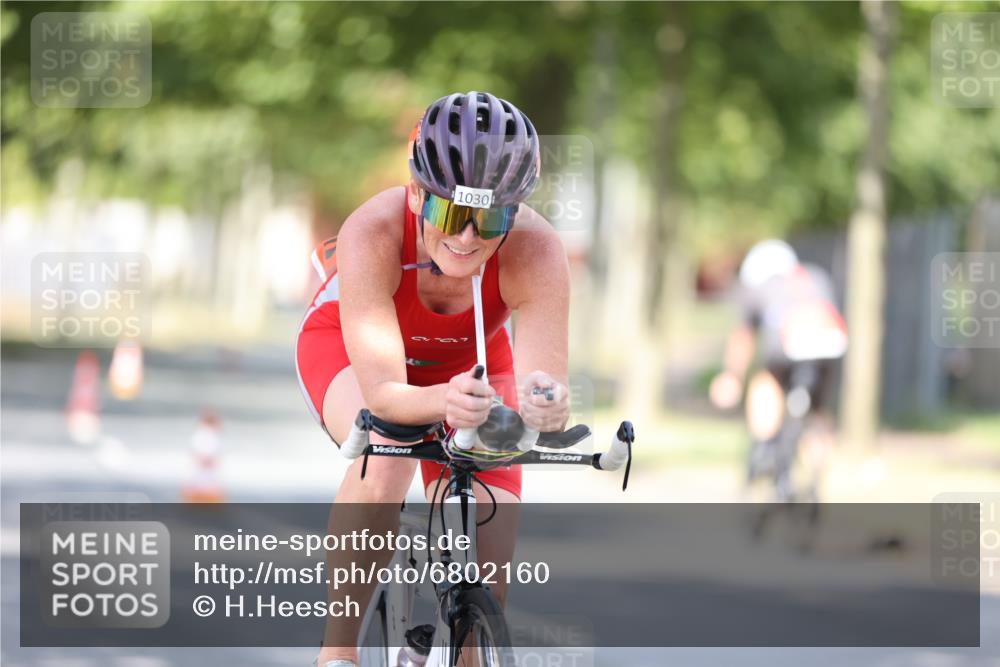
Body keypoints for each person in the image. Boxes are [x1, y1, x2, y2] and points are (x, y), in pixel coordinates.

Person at [295, 91, 572, 667]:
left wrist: (545, 404)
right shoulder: (373, 231)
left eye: (489, 218)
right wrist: (443, 401)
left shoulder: (538, 250)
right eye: (449, 214)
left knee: (488, 546)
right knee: (386, 452)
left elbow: (543, 381)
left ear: (514, 212)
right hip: (356, 355)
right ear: (417, 193)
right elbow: (384, 395)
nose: (467, 237)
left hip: (469, 365)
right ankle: (338, 651)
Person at [710, 240, 847, 499]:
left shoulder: (759, 287)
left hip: (788, 345)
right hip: (829, 346)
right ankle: (816, 471)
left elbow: (743, 337)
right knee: (817, 411)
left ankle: (764, 445)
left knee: (765, 383)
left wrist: (732, 377)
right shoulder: (816, 277)